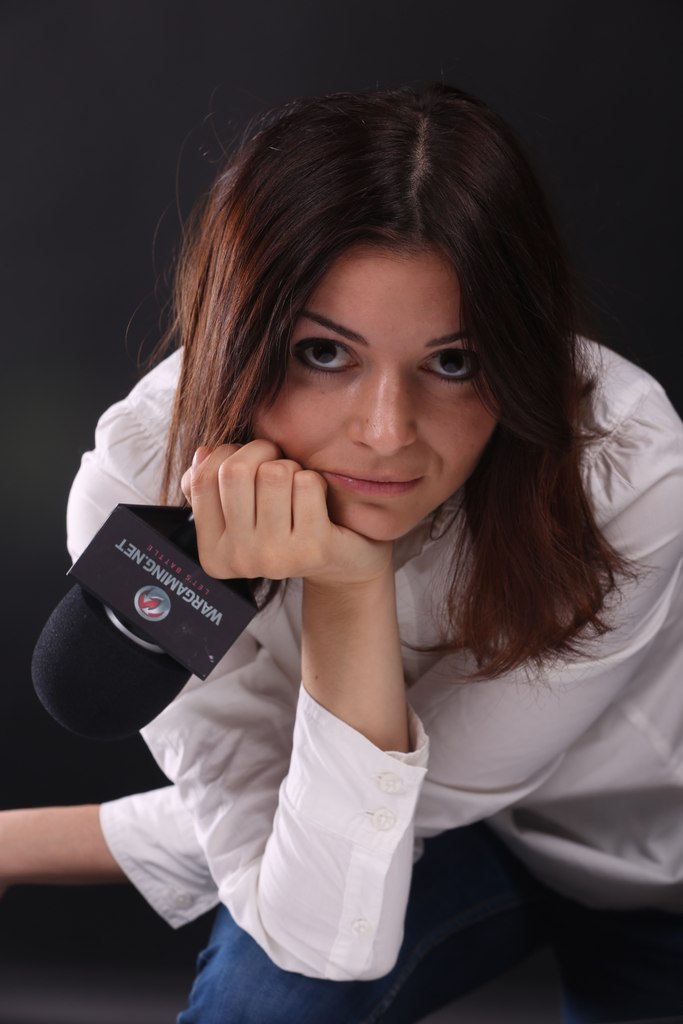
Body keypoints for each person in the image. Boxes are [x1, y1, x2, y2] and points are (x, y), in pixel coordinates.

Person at [3, 83, 683, 1024]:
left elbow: (366, 818)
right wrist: (350, 583)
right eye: (325, 353)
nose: (385, 432)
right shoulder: (146, 482)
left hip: (653, 861)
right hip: (440, 842)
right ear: (240, 328)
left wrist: (22, 844)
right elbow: (318, 925)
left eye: (454, 362)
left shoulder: (622, 470)